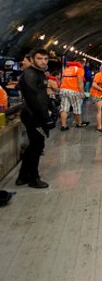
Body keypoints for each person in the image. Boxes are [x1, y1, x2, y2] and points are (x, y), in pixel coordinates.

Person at [15, 49, 51, 188]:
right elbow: (33, 98)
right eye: (39, 58)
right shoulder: (30, 74)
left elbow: (43, 96)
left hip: (36, 114)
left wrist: (52, 109)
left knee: (34, 146)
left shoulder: (39, 74)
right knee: (37, 146)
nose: (43, 61)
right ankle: (33, 179)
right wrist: (45, 117)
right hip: (33, 115)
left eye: (46, 59)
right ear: (32, 59)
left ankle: (23, 176)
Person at [59, 60, 88, 130]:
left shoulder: (67, 69)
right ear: (82, 64)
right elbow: (80, 82)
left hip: (63, 90)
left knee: (64, 108)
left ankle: (63, 125)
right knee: (77, 108)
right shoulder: (79, 69)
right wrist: (82, 93)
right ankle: (79, 123)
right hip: (74, 90)